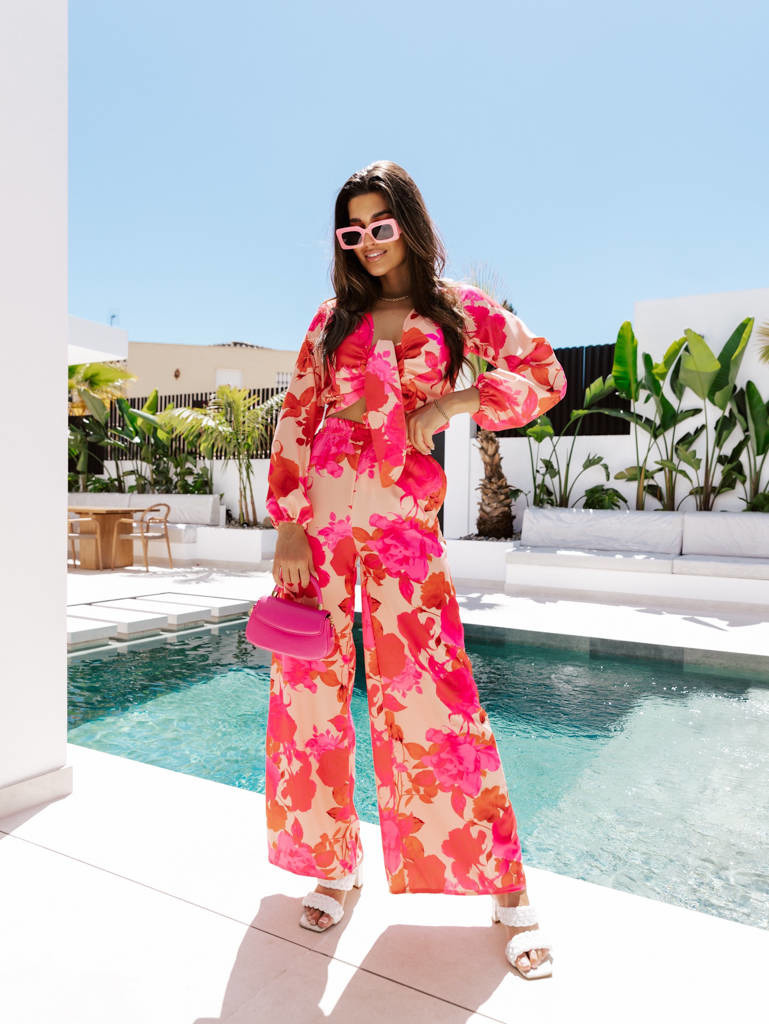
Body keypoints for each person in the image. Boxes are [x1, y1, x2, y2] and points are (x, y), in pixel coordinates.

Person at [264, 161, 567, 980]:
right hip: (320, 523)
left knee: (436, 694)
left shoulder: (458, 307)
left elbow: (543, 376)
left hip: (403, 525)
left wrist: (450, 404)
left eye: (380, 226)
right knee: (309, 698)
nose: (366, 242)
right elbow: (296, 416)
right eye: (350, 231)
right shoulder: (329, 319)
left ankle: (505, 887)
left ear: (407, 223)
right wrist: (287, 523)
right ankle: (335, 864)